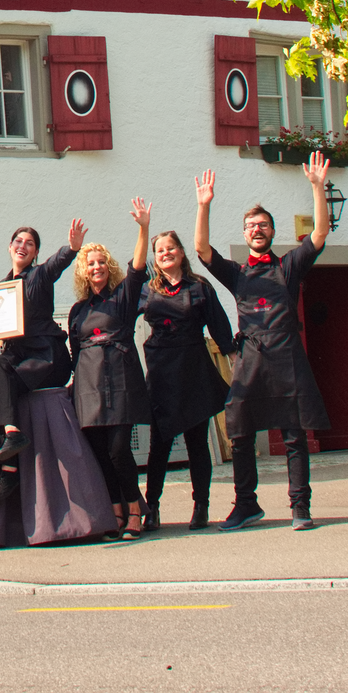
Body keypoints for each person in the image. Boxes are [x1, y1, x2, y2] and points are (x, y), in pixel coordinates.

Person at [194, 152, 332, 532]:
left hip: (287, 357)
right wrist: (204, 205)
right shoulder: (236, 274)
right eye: (251, 225)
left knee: (294, 435)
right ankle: (246, 505)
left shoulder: (288, 267)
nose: (257, 229)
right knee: (239, 433)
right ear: (244, 234)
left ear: (272, 232)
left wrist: (317, 187)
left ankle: (300, 507)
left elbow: (319, 234)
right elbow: (202, 249)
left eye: (264, 224)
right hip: (251, 357)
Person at [0, 219, 86, 505]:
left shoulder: (39, 275)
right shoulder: (0, 289)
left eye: (29, 243)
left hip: (46, 357)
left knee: (2, 384)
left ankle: (9, 471)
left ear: (36, 252)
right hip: (18, 356)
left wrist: (71, 249)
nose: (22, 246)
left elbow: (55, 265)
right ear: (9, 247)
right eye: (18, 241)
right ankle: (12, 437)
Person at [138, 228, 235, 532]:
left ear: (181, 252)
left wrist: (234, 357)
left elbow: (219, 325)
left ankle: (201, 506)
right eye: (160, 250)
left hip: (193, 367)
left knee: (197, 442)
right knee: (159, 444)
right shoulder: (147, 290)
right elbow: (122, 320)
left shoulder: (200, 287)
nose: (165, 253)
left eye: (170, 248)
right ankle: (152, 508)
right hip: (161, 370)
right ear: (155, 258)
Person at [67, 201, 152, 540]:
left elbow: (139, 268)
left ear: (109, 266)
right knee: (100, 453)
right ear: (83, 271)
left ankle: (134, 511)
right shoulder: (77, 310)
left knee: (119, 450)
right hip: (88, 386)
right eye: (91, 263)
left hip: (120, 381)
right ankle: (115, 512)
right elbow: (75, 353)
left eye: (101, 261)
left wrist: (143, 228)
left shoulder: (123, 298)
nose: (97, 267)